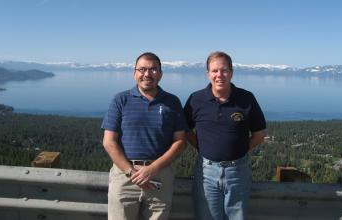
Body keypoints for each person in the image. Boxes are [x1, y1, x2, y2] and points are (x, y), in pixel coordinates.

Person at [101, 52, 188, 220]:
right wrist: (130, 171)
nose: (147, 74)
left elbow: (180, 142)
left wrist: (153, 168)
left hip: (159, 176)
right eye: (142, 69)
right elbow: (109, 142)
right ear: (135, 73)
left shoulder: (172, 102)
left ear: (160, 74)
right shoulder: (121, 100)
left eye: (153, 69)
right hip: (124, 176)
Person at [184, 51, 266, 220]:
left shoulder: (246, 98)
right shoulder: (196, 99)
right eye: (214, 71)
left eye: (224, 70)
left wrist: (240, 150)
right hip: (206, 173)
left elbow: (259, 134)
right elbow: (185, 130)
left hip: (238, 172)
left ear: (231, 72)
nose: (219, 75)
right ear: (208, 74)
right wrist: (202, 147)